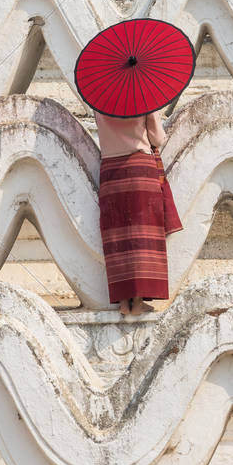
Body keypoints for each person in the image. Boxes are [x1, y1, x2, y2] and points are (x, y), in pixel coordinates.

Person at [95, 109, 182, 316]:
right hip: (139, 168)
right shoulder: (143, 101)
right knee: (144, 237)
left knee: (117, 237)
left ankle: (124, 302)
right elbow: (158, 138)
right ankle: (138, 300)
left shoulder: (99, 101)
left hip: (110, 172)